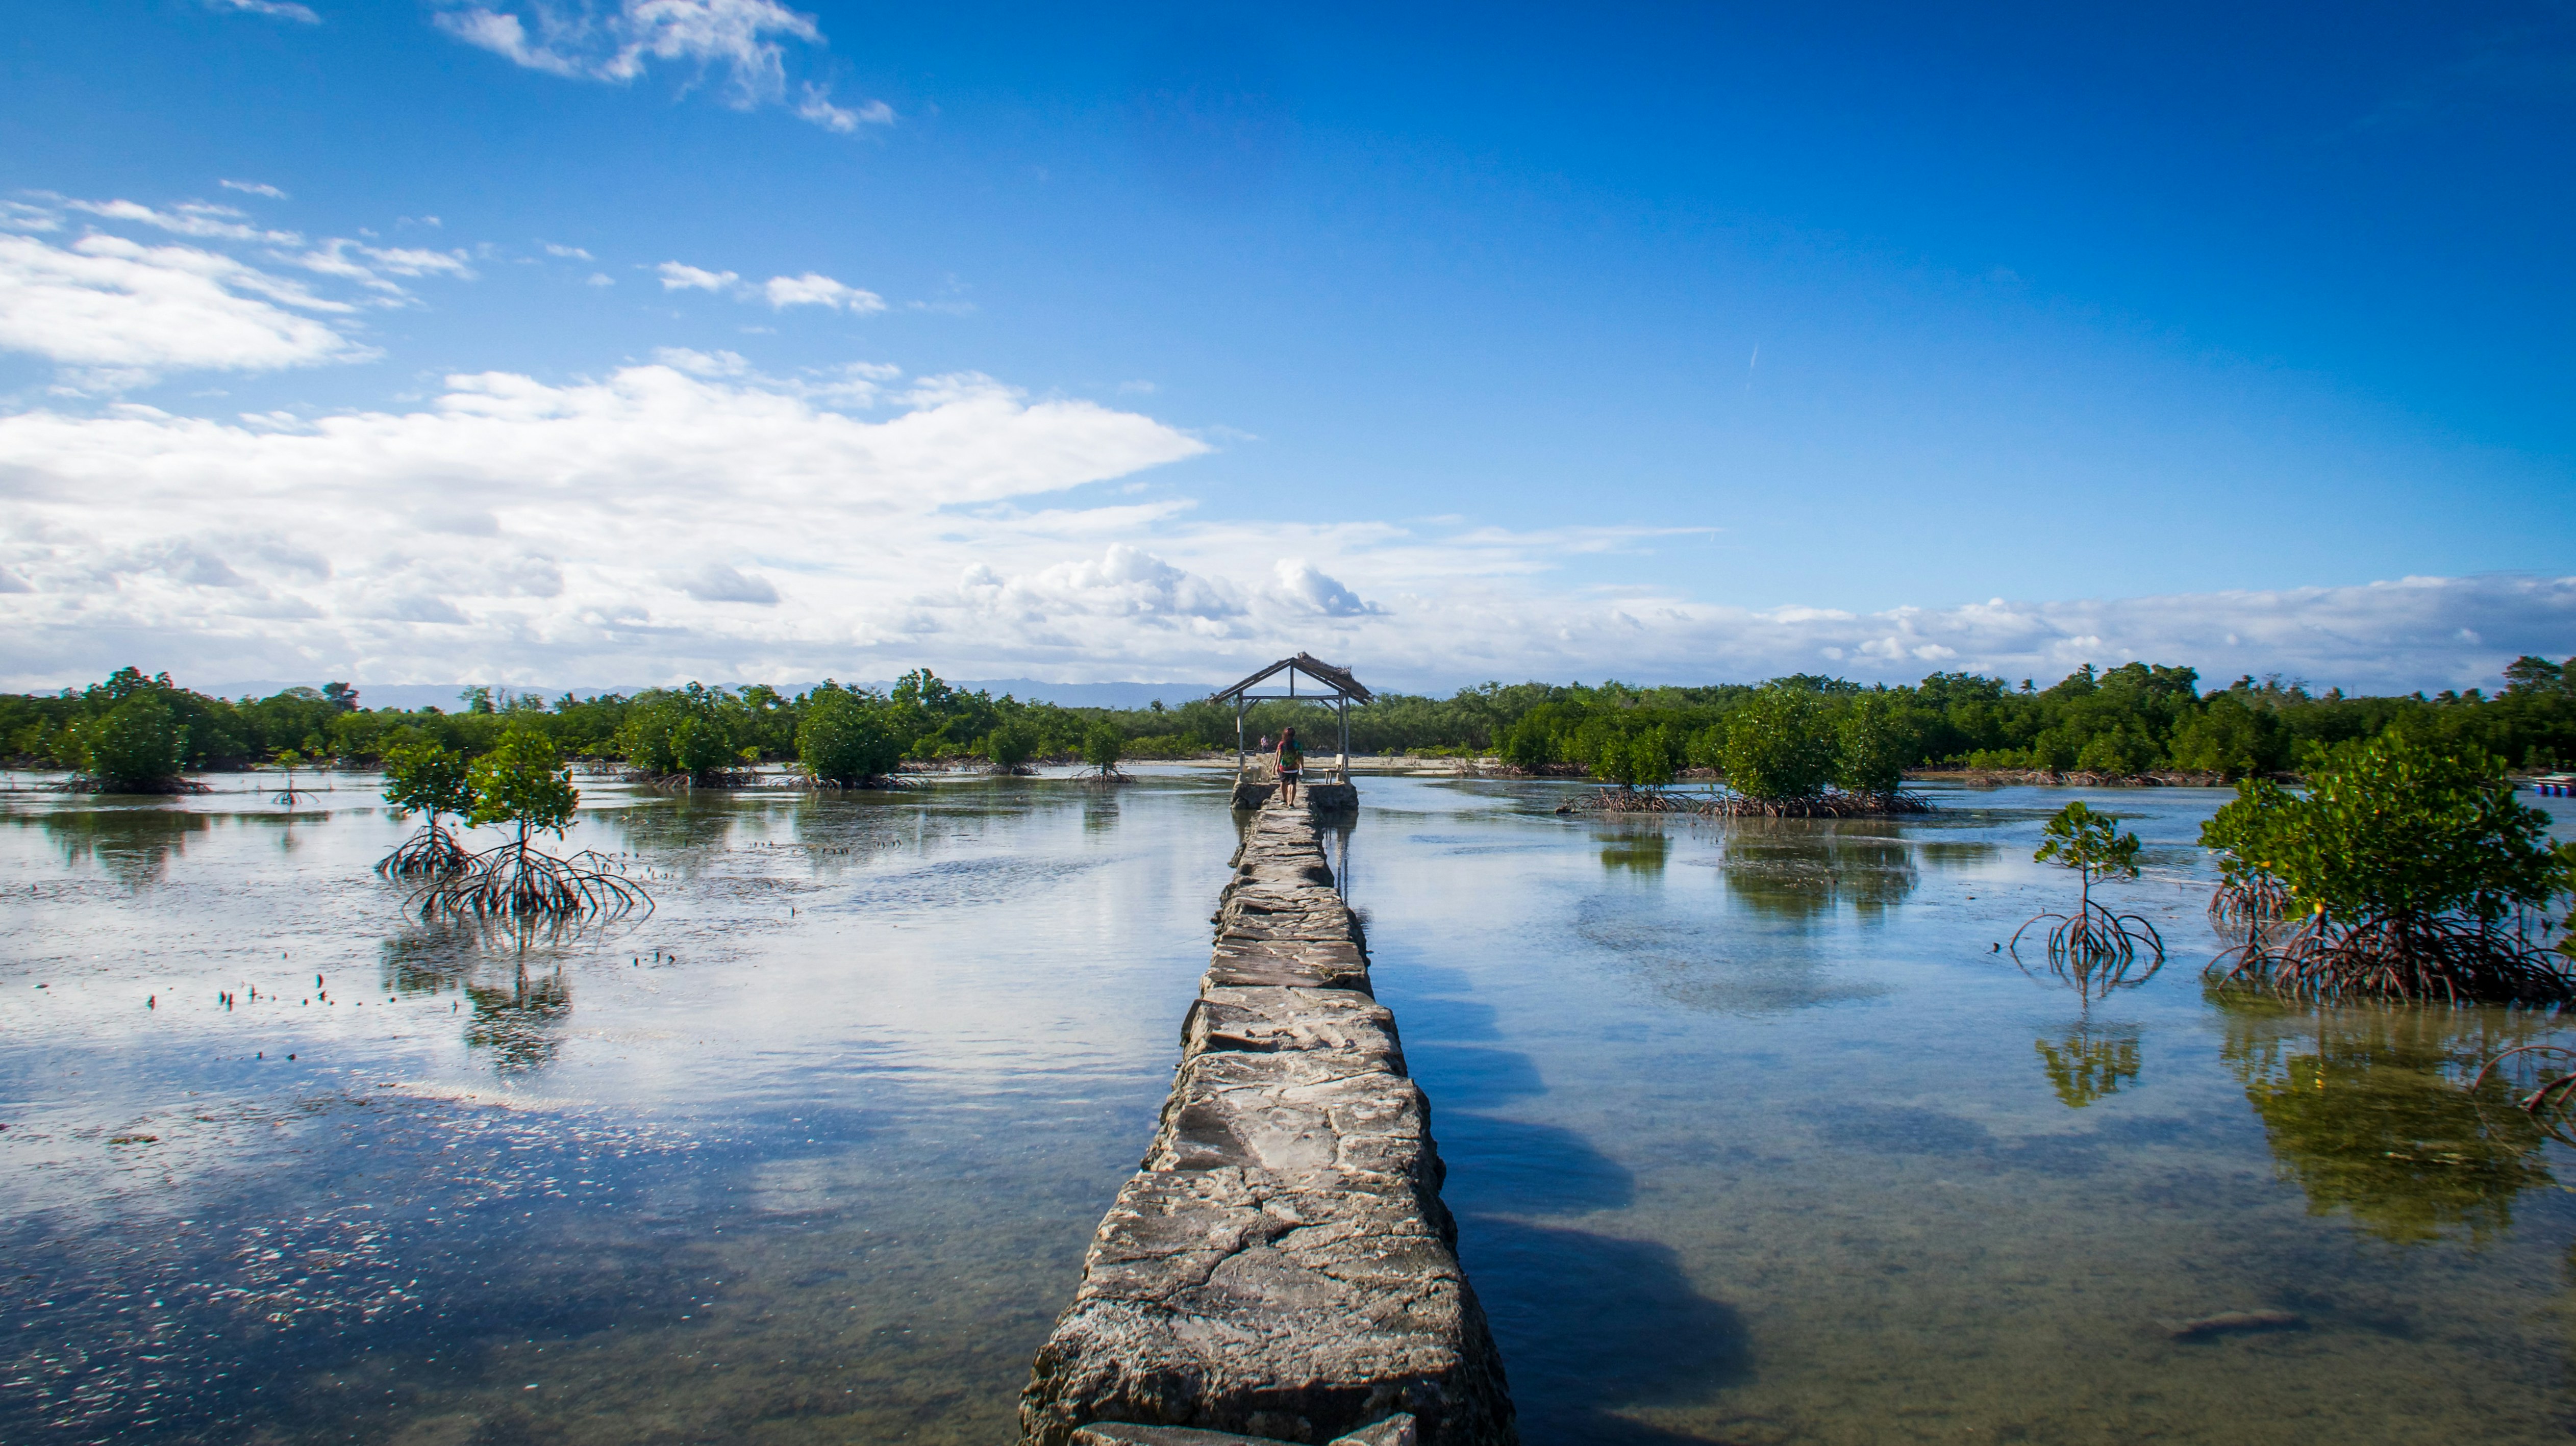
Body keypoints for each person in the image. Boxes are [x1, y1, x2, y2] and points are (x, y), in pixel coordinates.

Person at [1276, 726, 1304, 805]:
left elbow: (1279, 756)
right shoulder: (1298, 744)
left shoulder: (1282, 744)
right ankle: (1291, 802)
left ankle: (1285, 800)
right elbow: (1301, 756)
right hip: (1294, 767)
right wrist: (1302, 766)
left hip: (1284, 767)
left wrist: (1277, 766)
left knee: (1283, 782)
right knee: (1293, 784)